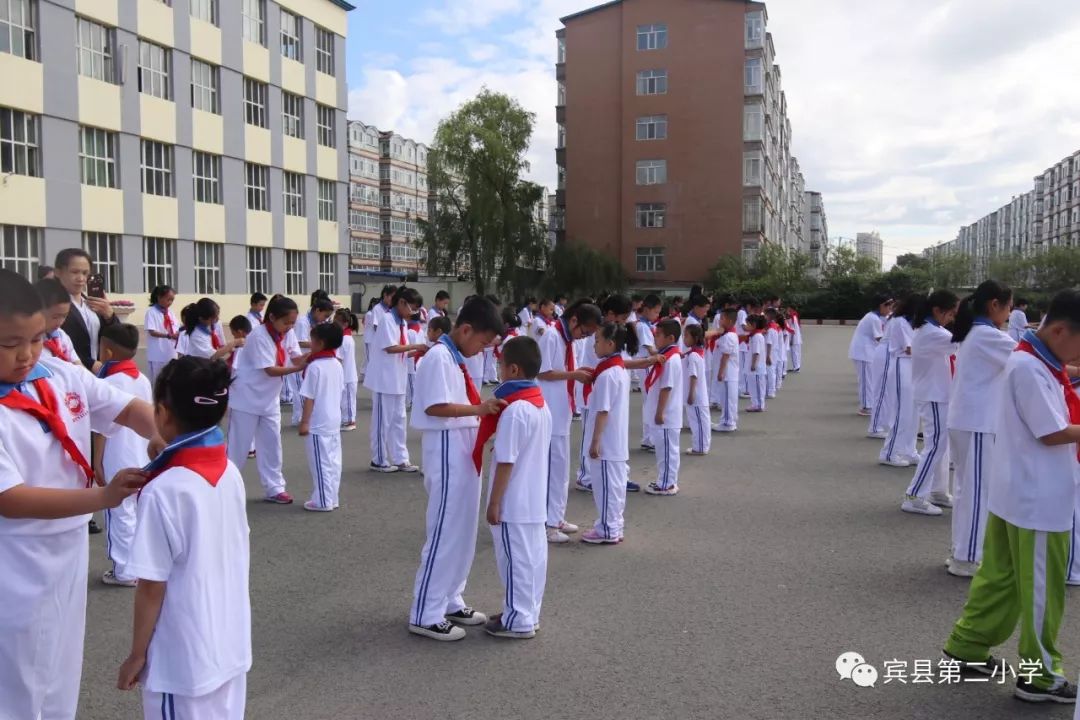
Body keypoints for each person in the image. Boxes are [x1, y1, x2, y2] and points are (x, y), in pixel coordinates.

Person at [0, 268, 156, 720]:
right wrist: (102, 498)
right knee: (17, 677)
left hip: (66, 547)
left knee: (60, 667)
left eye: (35, 338)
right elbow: (9, 497)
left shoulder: (57, 372)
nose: (27, 354)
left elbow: (124, 406)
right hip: (15, 557)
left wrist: (169, 437)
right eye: (11, 345)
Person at [942, 290, 1080, 705]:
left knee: (999, 579)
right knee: (1040, 590)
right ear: (1059, 331)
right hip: (1037, 499)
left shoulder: (1033, 359)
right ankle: (1038, 676)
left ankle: (967, 646)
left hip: (1015, 492)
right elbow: (1052, 432)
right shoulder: (1030, 369)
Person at [116, 356, 251, 718]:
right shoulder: (229, 471)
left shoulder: (165, 489)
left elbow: (151, 584)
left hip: (182, 660)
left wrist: (137, 654)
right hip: (229, 644)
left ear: (161, 411)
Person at [408, 296, 505, 641]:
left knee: (463, 529)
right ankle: (425, 611)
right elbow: (435, 407)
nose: (482, 350)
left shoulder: (455, 357)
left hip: (463, 449)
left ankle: (450, 597)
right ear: (465, 329)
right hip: (447, 450)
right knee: (445, 530)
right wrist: (480, 410)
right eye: (481, 342)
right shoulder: (438, 357)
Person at [477, 336, 552, 638]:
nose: (498, 369)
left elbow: (506, 460)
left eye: (501, 364)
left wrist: (495, 503)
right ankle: (525, 611)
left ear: (514, 370)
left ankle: (517, 619)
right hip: (533, 499)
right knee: (533, 560)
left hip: (514, 501)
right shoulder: (540, 404)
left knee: (514, 562)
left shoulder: (515, 410)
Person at [947, 280, 1016, 578]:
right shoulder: (988, 336)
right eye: (1009, 307)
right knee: (977, 491)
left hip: (969, 420)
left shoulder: (978, 333)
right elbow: (1030, 359)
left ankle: (962, 550)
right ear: (995, 305)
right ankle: (968, 557)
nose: (1010, 313)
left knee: (967, 490)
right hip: (977, 422)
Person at [226, 294, 306, 505]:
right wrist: (298, 367)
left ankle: (274, 487)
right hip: (246, 399)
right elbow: (270, 369)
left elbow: (296, 356)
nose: (290, 327)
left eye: (292, 323)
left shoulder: (286, 333)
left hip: (270, 399)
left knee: (272, 444)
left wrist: (317, 354)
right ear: (271, 317)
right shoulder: (259, 336)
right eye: (286, 322)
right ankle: (223, 487)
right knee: (238, 447)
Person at [93, 323, 153, 588]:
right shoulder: (142, 379)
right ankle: (140, 566)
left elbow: (100, 430)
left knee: (119, 511)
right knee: (138, 510)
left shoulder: (107, 381)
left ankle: (123, 571)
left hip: (117, 452)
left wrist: (96, 461)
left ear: (106, 349)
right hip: (141, 451)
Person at [538, 300, 601, 542]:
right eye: (584, 331)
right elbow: (542, 372)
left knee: (561, 469)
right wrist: (574, 374)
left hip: (563, 409)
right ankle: (546, 523)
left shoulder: (569, 340)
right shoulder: (552, 336)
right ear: (573, 320)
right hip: (551, 408)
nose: (584, 336)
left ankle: (556, 516)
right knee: (551, 468)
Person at [901, 290, 959, 516]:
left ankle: (938, 491)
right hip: (933, 395)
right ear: (937, 310)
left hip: (938, 394)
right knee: (936, 446)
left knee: (941, 447)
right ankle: (915, 495)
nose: (952, 318)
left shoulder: (934, 330)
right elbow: (961, 342)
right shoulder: (932, 333)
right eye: (951, 313)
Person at [581, 322, 637, 543]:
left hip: (607, 442)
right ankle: (615, 525)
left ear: (610, 343)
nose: (594, 345)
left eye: (597, 340)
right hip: (616, 441)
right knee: (614, 487)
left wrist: (595, 442)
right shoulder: (618, 369)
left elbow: (602, 411)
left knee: (605, 488)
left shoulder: (606, 375)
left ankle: (607, 529)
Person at [364, 286, 427, 473]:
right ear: (401, 303)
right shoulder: (387, 319)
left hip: (398, 379)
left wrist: (420, 351)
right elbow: (390, 348)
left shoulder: (402, 323)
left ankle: (401, 458)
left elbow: (402, 351)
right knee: (382, 421)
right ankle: (379, 459)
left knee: (399, 420)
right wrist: (415, 346)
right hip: (384, 380)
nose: (413, 312)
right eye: (412, 308)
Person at [298, 323, 345, 512]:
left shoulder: (315, 367)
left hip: (318, 422)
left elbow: (309, 398)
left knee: (320, 463)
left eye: (312, 340)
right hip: (334, 419)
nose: (310, 344)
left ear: (321, 342)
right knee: (333, 462)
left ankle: (323, 500)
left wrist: (304, 422)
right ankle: (331, 497)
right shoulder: (337, 364)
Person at [55, 248, 119, 370]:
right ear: (58, 272)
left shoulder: (92, 303)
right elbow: (55, 344)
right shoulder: (52, 305)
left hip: (98, 372)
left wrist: (109, 316)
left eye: (85, 273)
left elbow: (116, 337)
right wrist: (90, 364)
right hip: (71, 372)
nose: (81, 278)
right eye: (74, 272)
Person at [879, 293, 920, 468]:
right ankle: (889, 452)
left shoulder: (910, 323)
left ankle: (909, 450)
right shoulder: (900, 322)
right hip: (902, 365)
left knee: (913, 413)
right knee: (902, 412)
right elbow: (909, 349)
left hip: (912, 366)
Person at [644, 319, 684, 495]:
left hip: (667, 414)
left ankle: (667, 484)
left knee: (667, 451)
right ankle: (665, 479)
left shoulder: (671, 359)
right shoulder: (667, 356)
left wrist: (660, 412)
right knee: (663, 450)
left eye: (658, 335)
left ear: (670, 337)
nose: (655, 338)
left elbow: (666, 387)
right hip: (663, 413)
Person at [289, 298, 335, 426]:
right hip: (299, 359)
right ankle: (300, 418)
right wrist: (319, 344)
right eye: (325, 315)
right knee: (300, 390)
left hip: (310, 358)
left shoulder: (317, 323)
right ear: (317, 310)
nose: (325, 319)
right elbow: (299, 341)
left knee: (307, 389)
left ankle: (304, 417)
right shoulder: (303, 322)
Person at [849, 295, 893, 416]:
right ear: (881, 306)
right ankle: (865, 407)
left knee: (869, 380)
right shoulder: (873, 318)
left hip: (867, 352)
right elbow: (880, 338)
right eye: (888, 306)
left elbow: (888, 321)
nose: (890, 309)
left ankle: (869, 404)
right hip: (863, 352)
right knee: (865, 380)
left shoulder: (876, 316)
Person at [35, 278, 79, 365]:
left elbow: (78, 365)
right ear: (37, 310)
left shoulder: (61, 336)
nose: (60, 322)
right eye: (55, 317)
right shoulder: (31, 341)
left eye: (64, 316)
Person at [180, 298, 239, 362]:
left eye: (217, 315)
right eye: (213, 317)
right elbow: (213, 355)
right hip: (199, 368)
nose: (217, 319)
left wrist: (229, 349)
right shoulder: (197, 335)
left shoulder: (207, 329)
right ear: (201, 319)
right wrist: (234, 343)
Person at [683, 323, 711, 455]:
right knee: (699, 421)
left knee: (698, 422)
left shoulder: (693, 356)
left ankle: (700, 447)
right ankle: (701, 445)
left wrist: (691, 394)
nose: (684, 338)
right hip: (698, 394)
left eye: (686, 336)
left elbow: (693, 376)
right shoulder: (696, 353)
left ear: (694, 338)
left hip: (696, 395)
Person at [711, 308, 740, 433]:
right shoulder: (728, 334)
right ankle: (728, 419)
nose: (720, 321)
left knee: (728, 399)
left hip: (728, 373)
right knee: (727, 398)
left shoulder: (729, 336)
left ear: (729, 320)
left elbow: (725, 356)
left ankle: (728, 423)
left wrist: (721, 372)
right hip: (729, 373)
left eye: (722, 318)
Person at [145, 285, 179, 382]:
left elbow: (176, 328)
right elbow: (152, 331)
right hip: (158, 354)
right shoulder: (151, 312)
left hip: (171, 353)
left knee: (170, 382)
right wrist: (168, 335)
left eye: (172, 300)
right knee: (158, 382)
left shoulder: (170, 313)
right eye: (168, 299)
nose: (170, 302)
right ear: (159, 297)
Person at [333, 308, 360, 432]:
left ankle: (350, 421)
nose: (334, 323)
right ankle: (346, 420)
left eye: (337, 321)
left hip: (347, 376)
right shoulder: (346, 337)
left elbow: (338, 358)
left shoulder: (344, 339)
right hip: (346, 375)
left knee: (348, 401)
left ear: (345, 324)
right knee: (345, 400)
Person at [747, 314, 768, 413]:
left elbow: (756, 352)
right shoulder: (754, 336)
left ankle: (759, 404)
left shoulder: (757, 336)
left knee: (758, 386)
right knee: (753, 386)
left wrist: (753, 364)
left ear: (754, 325)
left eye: (748, 324)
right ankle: (755, 403)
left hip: (757, 367)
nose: (746, 326)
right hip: (755, 366)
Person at [788, 303, 804, 372]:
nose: (787, 310)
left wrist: (791, 339)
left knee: (794, 352)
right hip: (797, 336)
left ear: (791, 308)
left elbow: (793, 328)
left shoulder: (792, 316)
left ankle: (796, 367)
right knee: (796, 352)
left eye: (788, 308)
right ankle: (797, 366)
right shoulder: (795, 315)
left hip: (794, 337)